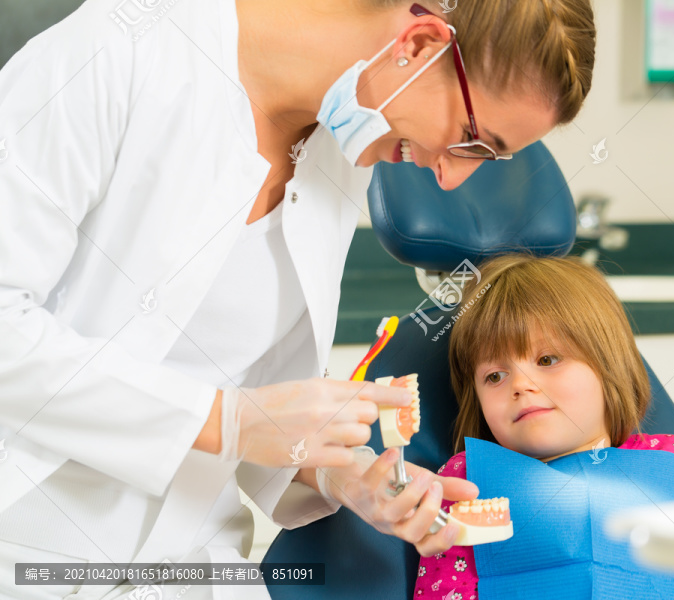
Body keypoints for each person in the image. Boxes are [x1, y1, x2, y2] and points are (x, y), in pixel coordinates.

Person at [0, 0, 596, 598]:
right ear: (418, 45)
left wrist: (350, 478)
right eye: (472, 140)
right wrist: (225, 422)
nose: (451, 178)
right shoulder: (124, 50)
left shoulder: (338, 152)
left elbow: (266, 401)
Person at [414, 255, 674, 599]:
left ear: (608, 366)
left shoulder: (672, 462)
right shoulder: (465, 486)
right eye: (495, 376)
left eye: (547, 360)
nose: (521, 385)